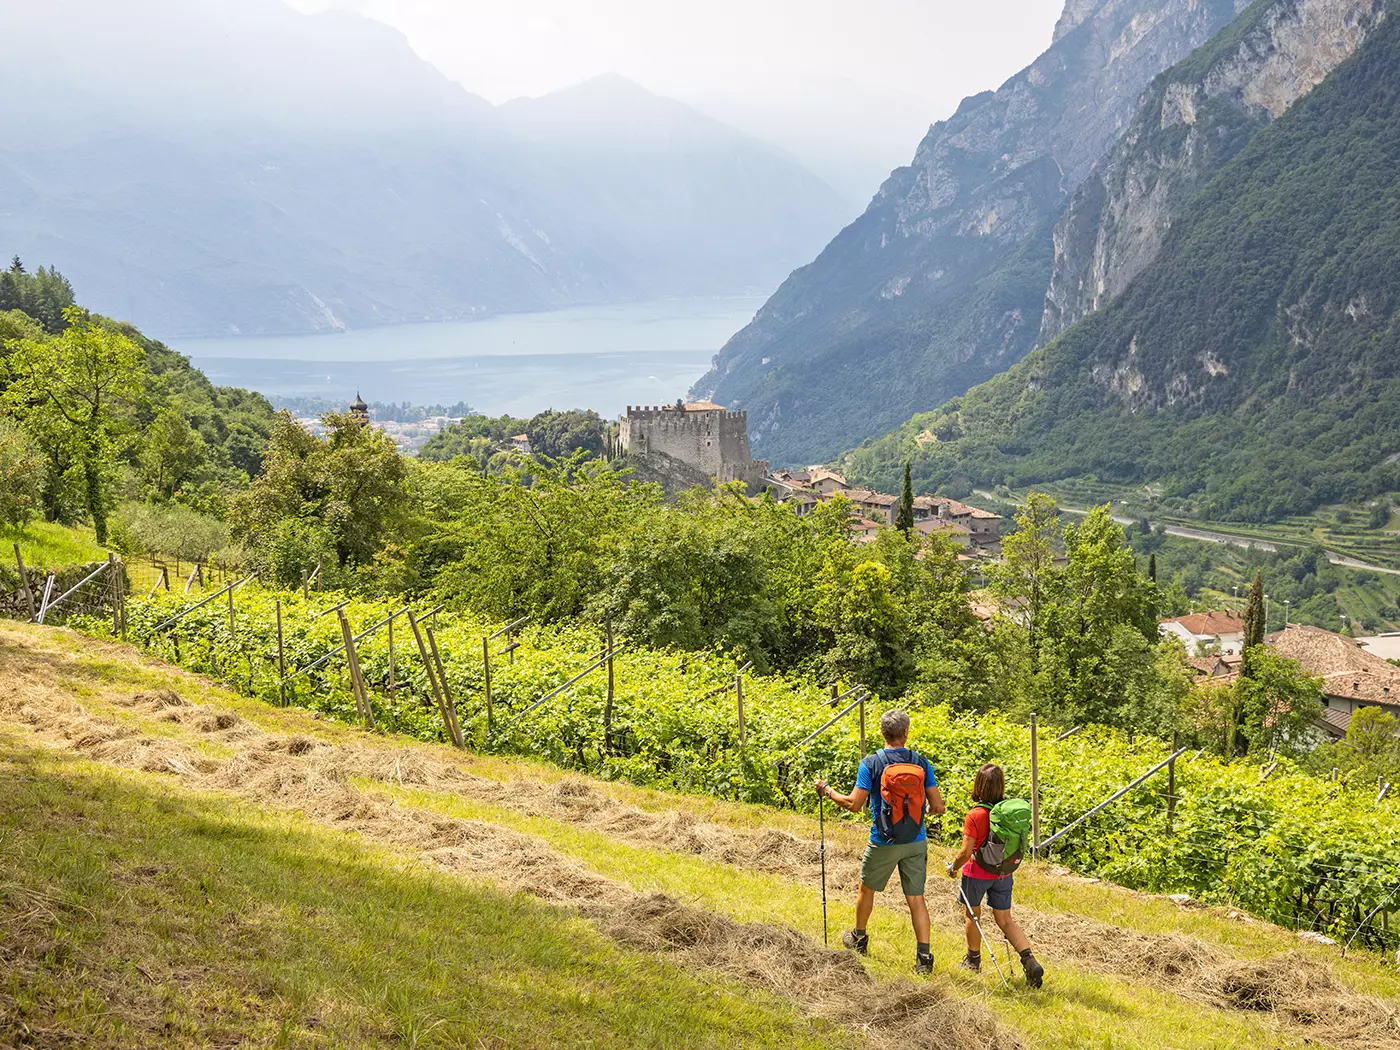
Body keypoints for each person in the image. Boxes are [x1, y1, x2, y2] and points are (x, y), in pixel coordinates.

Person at [815, 709, 945, 975]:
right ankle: (923, 958)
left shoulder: (871, 763)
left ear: (882, 733)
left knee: (867, 888)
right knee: (916, 898)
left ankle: (859, 939)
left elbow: (853, 804)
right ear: (906, 734)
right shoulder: (922, 763)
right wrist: (918, 813)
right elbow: (939, 807)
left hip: (883, 840)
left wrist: (827, 790)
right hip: (915, 841)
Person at [947, 763, 1044, 988]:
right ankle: (1029, 960)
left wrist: (954, 867)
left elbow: (966, 851)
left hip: (977, 873)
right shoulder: (1007, 813)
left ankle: (973, 961)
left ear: (978, 785)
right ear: (1001, 785)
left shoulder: (975, 815)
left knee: (973, 916)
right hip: (1003, 873)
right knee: (1005, 920)